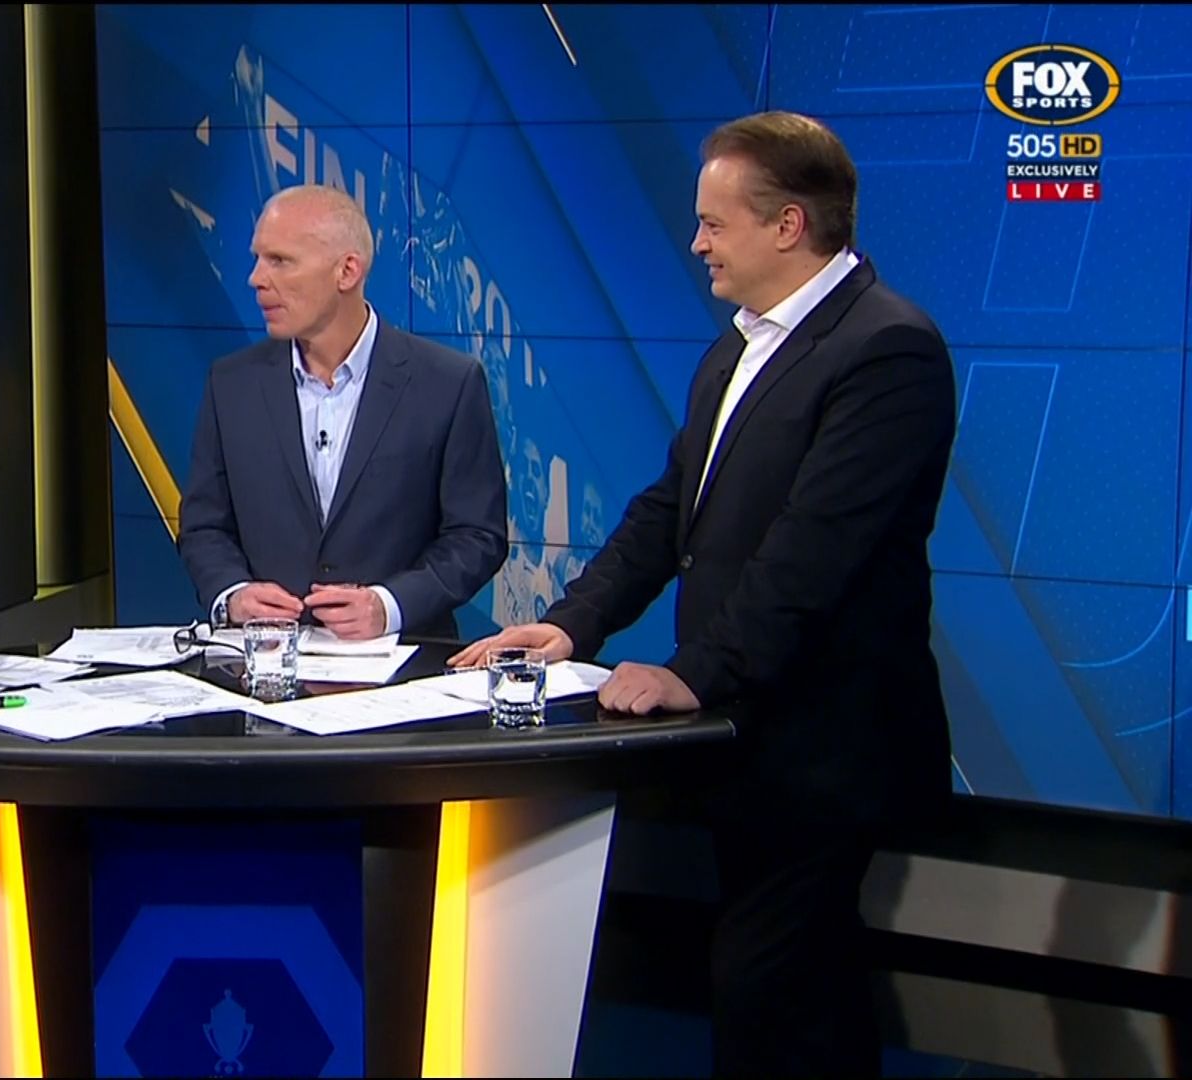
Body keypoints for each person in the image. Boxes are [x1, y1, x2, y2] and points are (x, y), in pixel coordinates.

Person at [452, 112, 956, 1077]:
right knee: (796, 991)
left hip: (828, 743)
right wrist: (571, 624)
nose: (696, 244)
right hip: (746, 742)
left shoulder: (888, 349)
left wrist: (695, 671)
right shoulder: (739, 346)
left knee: (772, 989)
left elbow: (816, 548)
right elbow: (670, 507)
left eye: (715, 224)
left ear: (789, 224)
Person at [178, 183, 506, 641]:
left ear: (347, 271)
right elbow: (204, 525)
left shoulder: (448, 383)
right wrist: (233, 594)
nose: (256, 278)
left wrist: (389, 606)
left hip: (403, 663)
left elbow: (477, 536)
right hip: (267, 660)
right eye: (257, 258)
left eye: (280, 261)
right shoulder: (231, 384)